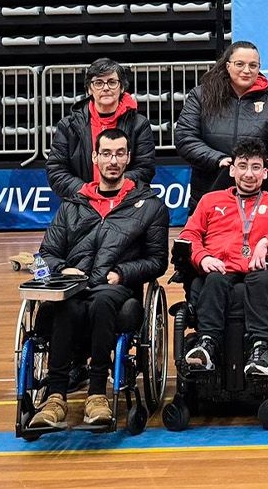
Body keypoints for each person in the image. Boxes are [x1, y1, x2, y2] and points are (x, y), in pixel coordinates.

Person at [28, 128, 168, 429]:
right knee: (67, 305)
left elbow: (157, 261)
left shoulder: (150, 206)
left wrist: (122, 273)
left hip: (116, 289)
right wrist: (62, 270)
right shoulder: (73, 205)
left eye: (119, 154)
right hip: (75, 288)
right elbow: (45, 255)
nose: (113, 160)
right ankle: (55, 397)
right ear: (95, 158)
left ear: (128, 157)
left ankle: (96, 394)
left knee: (102, 301)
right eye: (106, 154)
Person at [179, 139, 268, 378]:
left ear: (264, 172)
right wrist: (202, 257)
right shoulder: (210, 201)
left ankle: (261, 351)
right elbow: (188, 235)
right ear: (232, 170)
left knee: (260, 280)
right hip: (220, 266)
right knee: (213, 280)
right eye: (242, 166)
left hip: (260, 266)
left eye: (255, 167)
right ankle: (207, 345)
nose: (248, 174)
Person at [176, 41, 268, 209]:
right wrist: (218, 159)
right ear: (228, 66)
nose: (247, 70)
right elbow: (185, 137)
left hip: (260, 199)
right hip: (209, 192)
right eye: (239, 64)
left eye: (253, 65)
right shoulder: (201, 96)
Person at [45, 58, 156, 198]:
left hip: (125, 204)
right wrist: (87, 191)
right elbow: (56, 170)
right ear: (89, 89)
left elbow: (145, 169)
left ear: (122, 88)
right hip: (81, 203)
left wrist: (112, 189)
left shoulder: (139, 124)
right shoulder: (68, 126)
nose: (105, 88)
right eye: (98, 83)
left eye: (112, 82)